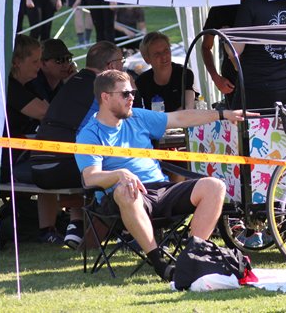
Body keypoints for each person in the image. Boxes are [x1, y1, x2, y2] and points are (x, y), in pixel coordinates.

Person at [75, 69, 248, 281]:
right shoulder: (89, 134)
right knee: (126, 191)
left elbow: (179, 117)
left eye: (133, 93)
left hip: (160, 188)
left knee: (215, 186)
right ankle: (160, 264)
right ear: (105, 97)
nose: (131, 98)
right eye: (125, 94)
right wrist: (119, 174)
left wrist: (223, 114)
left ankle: (191, 259)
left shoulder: (137, 116)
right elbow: (90, 177)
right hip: (124, 198)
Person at [33, 41, 124, 248]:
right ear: (111, 66)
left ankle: (77, 225)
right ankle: (124, 227)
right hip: (64, 167)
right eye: (121, 61)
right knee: (123, 165)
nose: (123, 66)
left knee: (89, 157)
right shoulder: (104, 89)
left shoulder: (72, 83)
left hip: (38, 165)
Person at [4, 34, 65, 244]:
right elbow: (46, 113)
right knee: (48, 167)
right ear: (16, 62)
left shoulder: (28, 85)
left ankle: (64, 223)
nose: (39, 66)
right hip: (5, 159)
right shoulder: (9, 87)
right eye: (34, 61)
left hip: (21, 153)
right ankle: (48, 229)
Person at [134, 31, 195, 111]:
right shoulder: (141, 81)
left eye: (166, 51)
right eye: (157, 54)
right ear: (147, 59)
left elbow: (188, 107)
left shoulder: (184, 73)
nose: (164, 56)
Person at [201, 4, 239, 106]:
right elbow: (206, 47)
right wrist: (215, 77)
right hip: (232, 80)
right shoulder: (220, 9)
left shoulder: (260, 4)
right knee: (236, 114)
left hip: (263, 77)